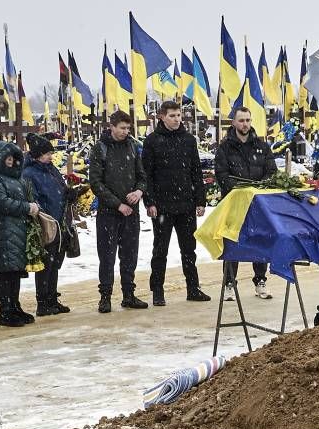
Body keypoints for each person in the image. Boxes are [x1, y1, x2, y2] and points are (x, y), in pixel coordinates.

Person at [141, 99, 210, 304]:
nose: (176, 119)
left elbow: (196, 172)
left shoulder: (188, 140)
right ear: (162, 117)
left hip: (186, 204)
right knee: (160, 250)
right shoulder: (152, 141)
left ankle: (193, 288)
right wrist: (149, 202)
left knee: (189, 249)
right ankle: (157, 291)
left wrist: (200, 200)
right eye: (172, 116)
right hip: (162, 206)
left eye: (179, 115)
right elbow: (147, 175)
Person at [87, 110, 149, 312]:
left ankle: (129, 294)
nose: (125, 131)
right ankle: (105, 296)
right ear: (112, 127)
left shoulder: (133, 146)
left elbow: (142, 175)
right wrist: (117, 204)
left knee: (130, 255)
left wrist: (139, 191)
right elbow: (96, 183)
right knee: (107, 256)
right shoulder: (100, 148)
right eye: (122, 128)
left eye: (128, 128)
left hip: (131, 212)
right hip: (109, 213)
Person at [213, 106, 275, 298]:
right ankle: (229, 283)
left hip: (258, 203)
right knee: (232, 242)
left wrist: (258, 188)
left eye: (248, 120)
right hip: (234, 203)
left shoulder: (262, 146)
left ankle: (261, 280)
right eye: (241, 120)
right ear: (234, 123)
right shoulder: (225, 148)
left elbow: (271, 171)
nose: (245, 124)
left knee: (260, 240)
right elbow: (221, 174)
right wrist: (241, 190)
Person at [0, 139, 39, 327]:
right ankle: (5, 311)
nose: (10, 160)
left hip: (18, 230)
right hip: (3, 231)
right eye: (6, 157)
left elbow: (25, 196)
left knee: (15, 272)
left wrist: (33, 205)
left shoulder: (16, 177)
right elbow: (2, 203)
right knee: (6, 272)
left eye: (13, 157)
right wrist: (26, 207)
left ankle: (15, 306)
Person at [23, 134, 70, 316]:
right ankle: (42, 302)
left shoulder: (50, 169)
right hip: (45, 223)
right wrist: (44, 214)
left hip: (59, 221)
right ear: (37, 155)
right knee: (46, 265)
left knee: (55, 263)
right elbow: (32, 198)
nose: (51, 156)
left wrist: (69, 194)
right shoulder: (29, 173)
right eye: (47, 153)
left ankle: (52, 298)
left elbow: (60, 189)